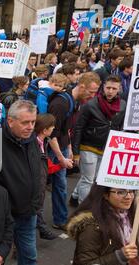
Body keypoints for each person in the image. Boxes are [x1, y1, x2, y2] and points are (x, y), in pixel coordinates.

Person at [0, 100, 42, 265]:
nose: (30, 127)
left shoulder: (32, 140)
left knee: (29, 257)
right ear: (11, 121)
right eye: (25, 122)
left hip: (28, 213)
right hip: (3, 217)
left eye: (33, 122)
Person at [66, 184, 139, 265]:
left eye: (131, 191)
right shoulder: (92, 226)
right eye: (121, 192)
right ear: (105, 194)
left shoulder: (125, 218)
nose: (129, 196)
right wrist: (119, 257)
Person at [47, 72, 101, 230]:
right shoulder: (61, 104)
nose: (92, 96)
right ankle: (42, 221)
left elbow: (67, 129)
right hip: (52, 150)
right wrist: (61, 157)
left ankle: (60, 219)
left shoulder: (74, 102)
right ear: (82, 86)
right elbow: (51, 134)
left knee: (60, 185)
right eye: (91, 92)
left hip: (62, 148)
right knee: (43, 188)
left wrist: (69, 148)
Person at [70, 75, 126, 206]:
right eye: (108, 87)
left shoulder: (122, 105)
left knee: (93, 178)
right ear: (103, 87)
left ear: (119, 89)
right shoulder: (90, 104)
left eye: (114, 88)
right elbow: (78, 128)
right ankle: (85, 210)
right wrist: (76, 152)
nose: (110, 91)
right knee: (88, 180)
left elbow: (119, 127)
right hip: (88, 147)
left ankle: (75, 196)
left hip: (107, 147)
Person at [34, 114, 62, 240]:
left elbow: (47, 167)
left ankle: (41, 227)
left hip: (40, 182)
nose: (54, 128)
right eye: (52, 127)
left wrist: (61, 165)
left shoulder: (42, 142)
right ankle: (42, 227)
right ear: (45, 130)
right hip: (35, 183)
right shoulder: (35, 144)